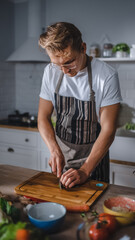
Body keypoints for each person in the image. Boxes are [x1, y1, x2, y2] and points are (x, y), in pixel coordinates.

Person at [38, 22, 122, 188]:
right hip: (62, 158)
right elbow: (43, 117)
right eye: (57, 64)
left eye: (69, 62)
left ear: (83, 48)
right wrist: (54, 150)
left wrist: (85, 170)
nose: (64, 71)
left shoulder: (106, 75)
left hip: (94, 160)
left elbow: (108, 130)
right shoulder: (50, 72)